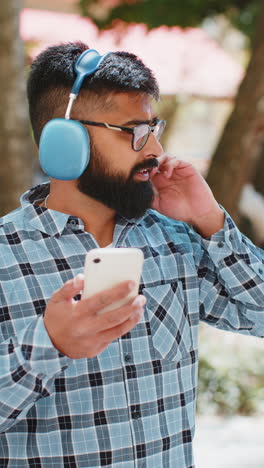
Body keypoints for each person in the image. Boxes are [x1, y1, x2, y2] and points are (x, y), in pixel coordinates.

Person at [0, 41, 263, 468]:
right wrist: (48, 345)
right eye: (135, 133)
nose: (156, 152)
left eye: (154, 129)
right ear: (66, 141)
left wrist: (210, 219)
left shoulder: (176, 241)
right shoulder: (5, 256)